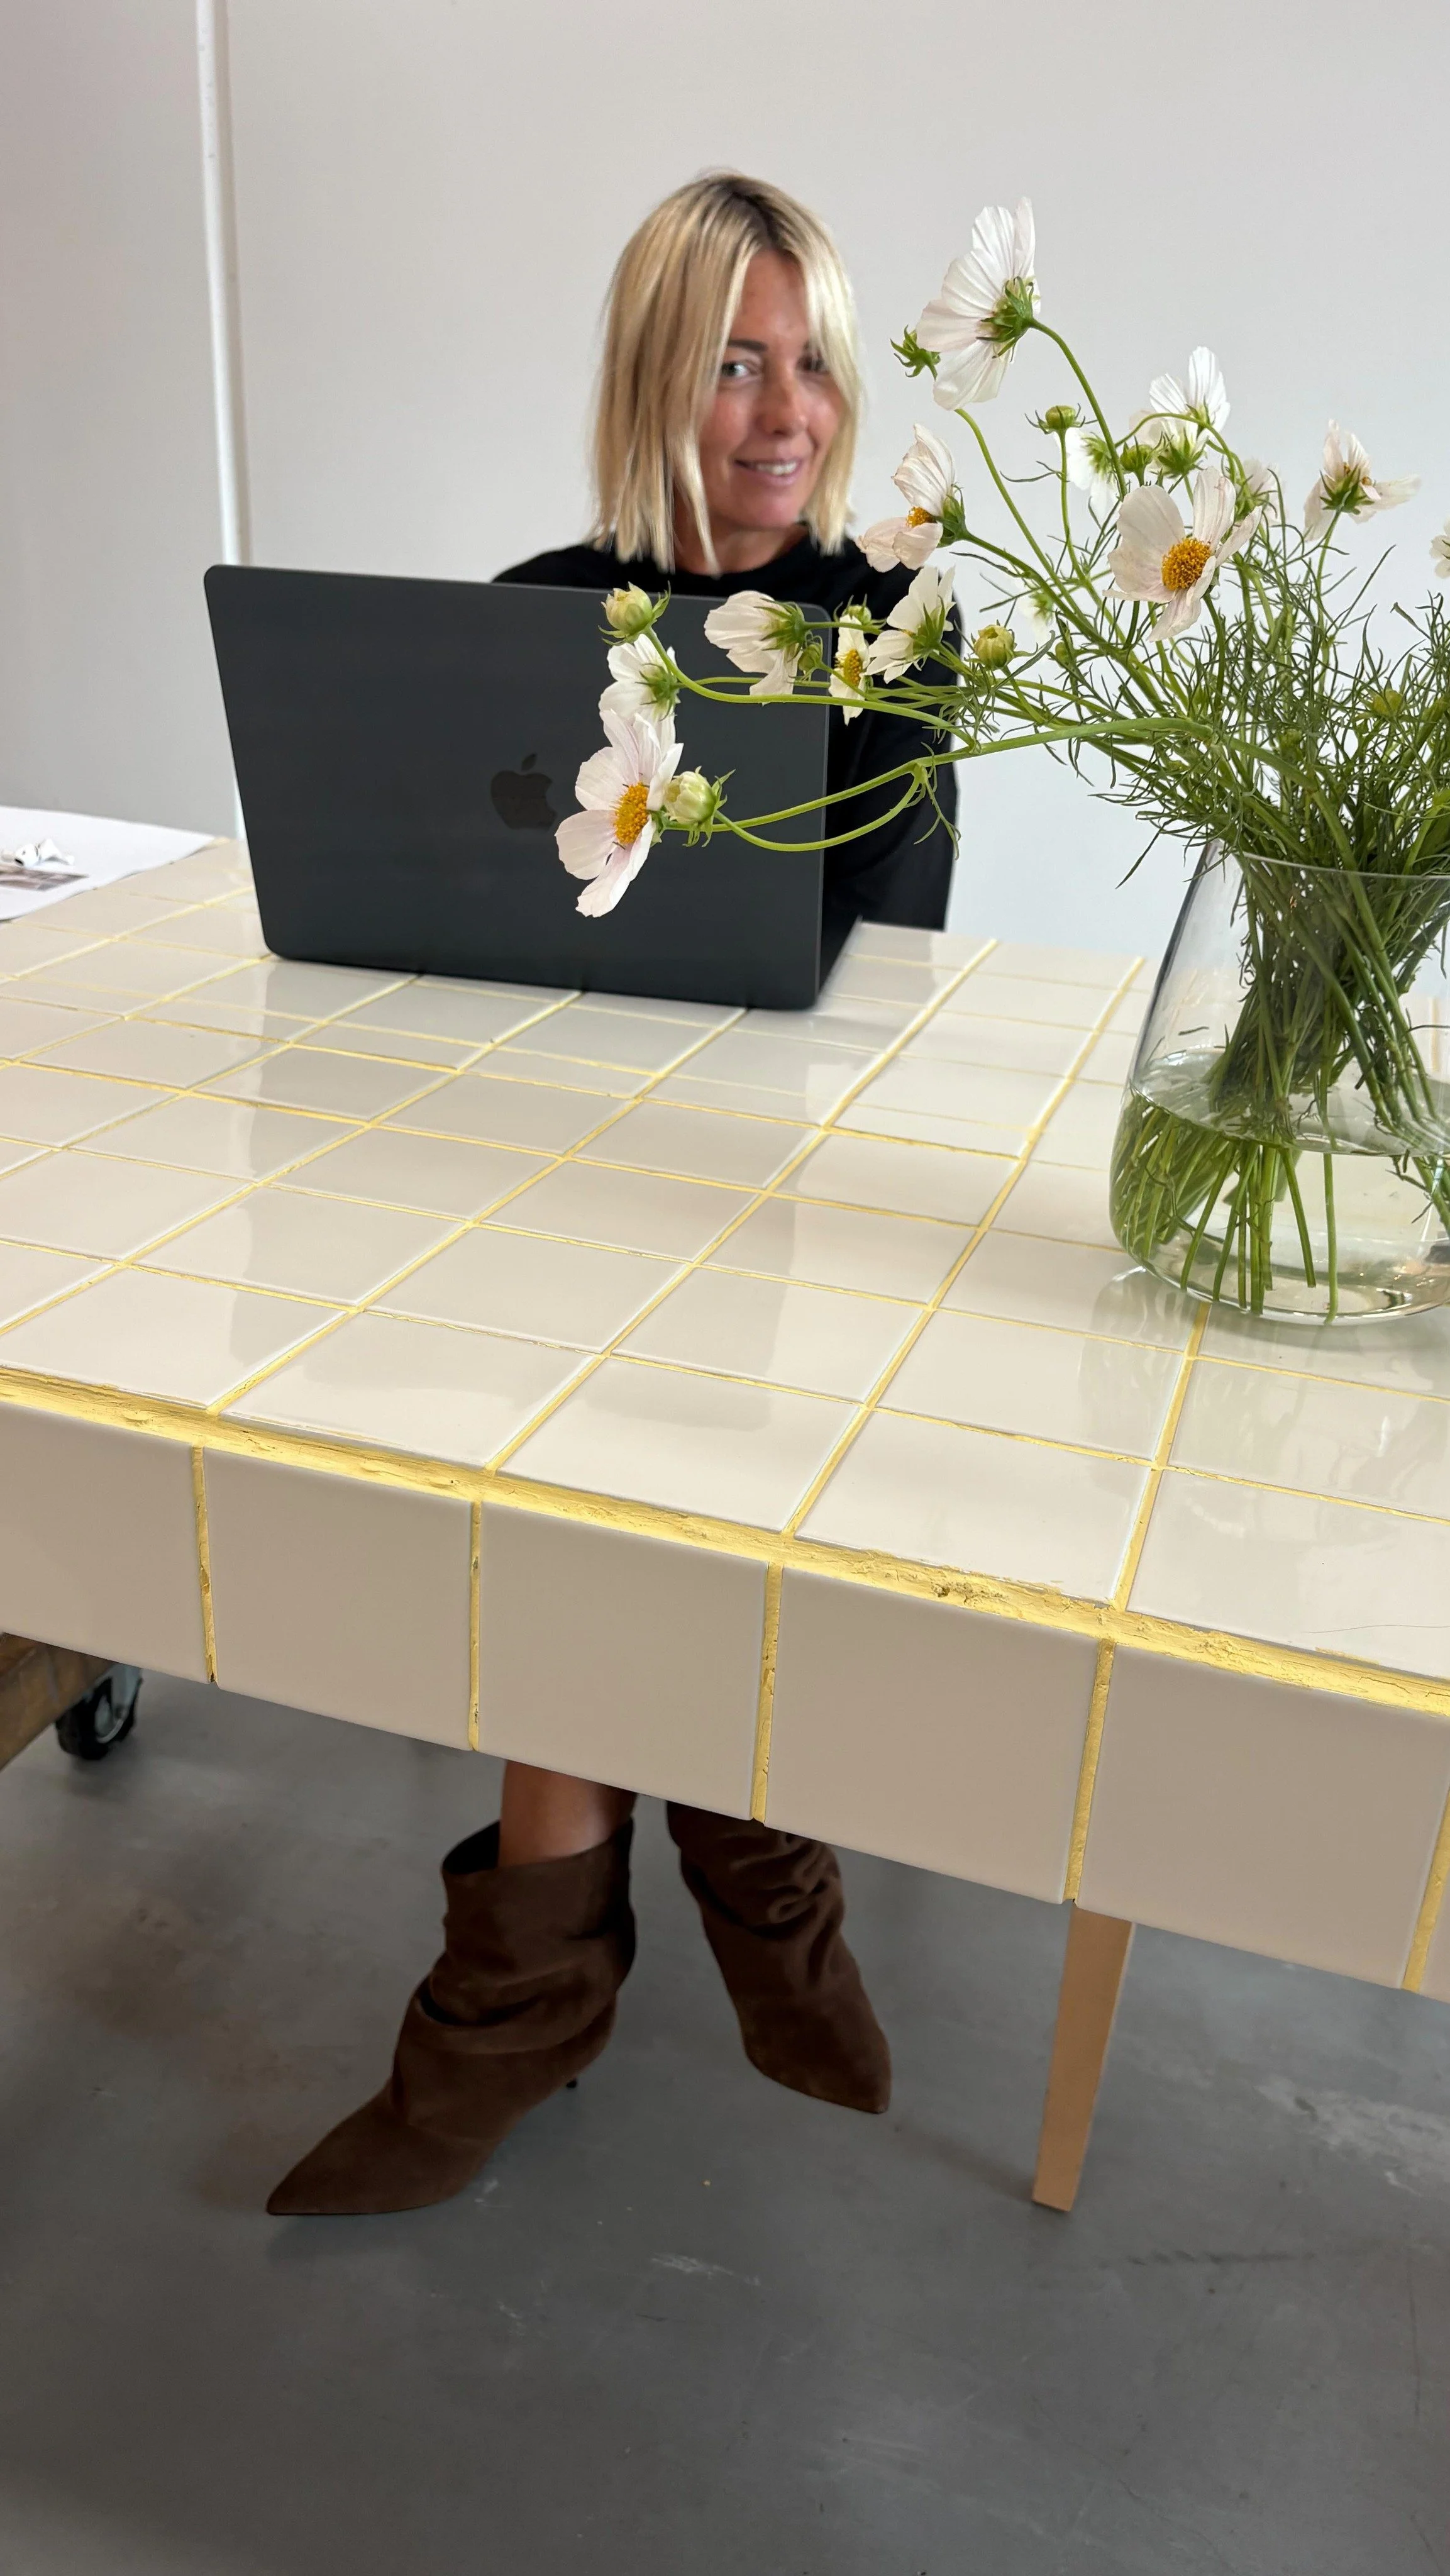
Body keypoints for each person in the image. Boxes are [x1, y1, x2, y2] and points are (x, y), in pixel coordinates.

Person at [266, 172, 951, 2221]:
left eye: (812, 360)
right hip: (560, 1182)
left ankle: (516, 2021)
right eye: (736, 362)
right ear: (658, 377)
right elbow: (457, 941)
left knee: (624, 1475)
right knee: (584, 1435)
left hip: (793, 1195)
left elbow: (886, 971)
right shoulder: (535, 610)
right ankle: (753, 1868)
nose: (787, 412)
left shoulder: (893, 628)